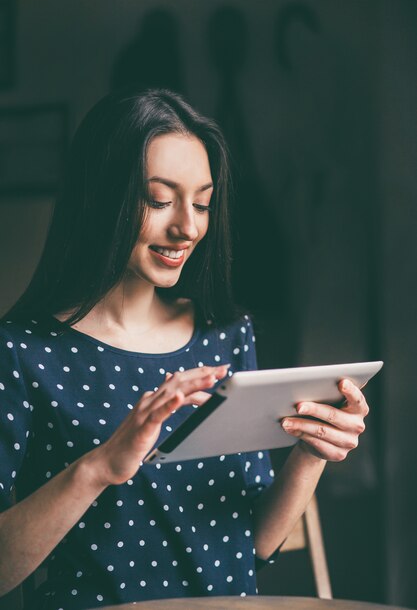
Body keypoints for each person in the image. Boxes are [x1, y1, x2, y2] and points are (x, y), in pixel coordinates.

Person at [0, 89, 369, 610]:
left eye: (201, 203)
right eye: (158, 200)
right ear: (100, 195)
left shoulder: (226, 334)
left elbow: (257, 544)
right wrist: (100, 467)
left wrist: (311, 454)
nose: (188, 227)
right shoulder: (22, 351)